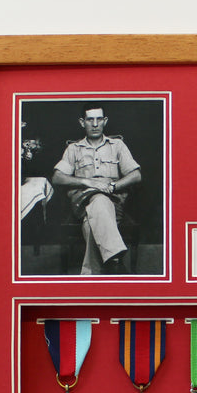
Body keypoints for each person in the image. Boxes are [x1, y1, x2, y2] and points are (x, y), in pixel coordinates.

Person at [52, 104, 142, 275]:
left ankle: (90, 274)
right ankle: (115, 259)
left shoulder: (117, 145)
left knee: (91, 224)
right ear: (82, 122)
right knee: (98, 200)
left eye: (99, 119)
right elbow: (57, 177)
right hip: (82, 203)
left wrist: (113, 186)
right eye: (90, 119)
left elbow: (136, 175)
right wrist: (88, 182)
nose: (95, 124)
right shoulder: (74, 149)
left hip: (114, 203)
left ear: (104, 121)